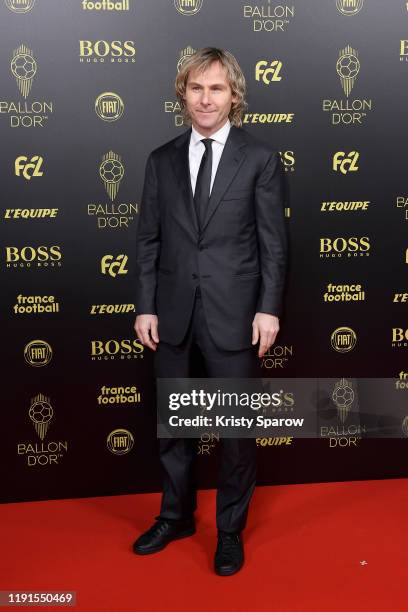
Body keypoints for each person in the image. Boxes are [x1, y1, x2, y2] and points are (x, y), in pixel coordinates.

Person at [132, 47, 287, 576]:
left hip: (235, 312)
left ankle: (229, 531)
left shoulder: (261, 159)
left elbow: (274, 244)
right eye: (196, 88)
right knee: (175, 426)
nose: (205, 98)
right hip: (172, 314)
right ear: (182, 93)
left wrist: (268, 310)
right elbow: (148, 241)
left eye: (216, 88)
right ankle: (175, 517)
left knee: (237, 431)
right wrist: (146, 306)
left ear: (234, 96)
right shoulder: (161, 159)